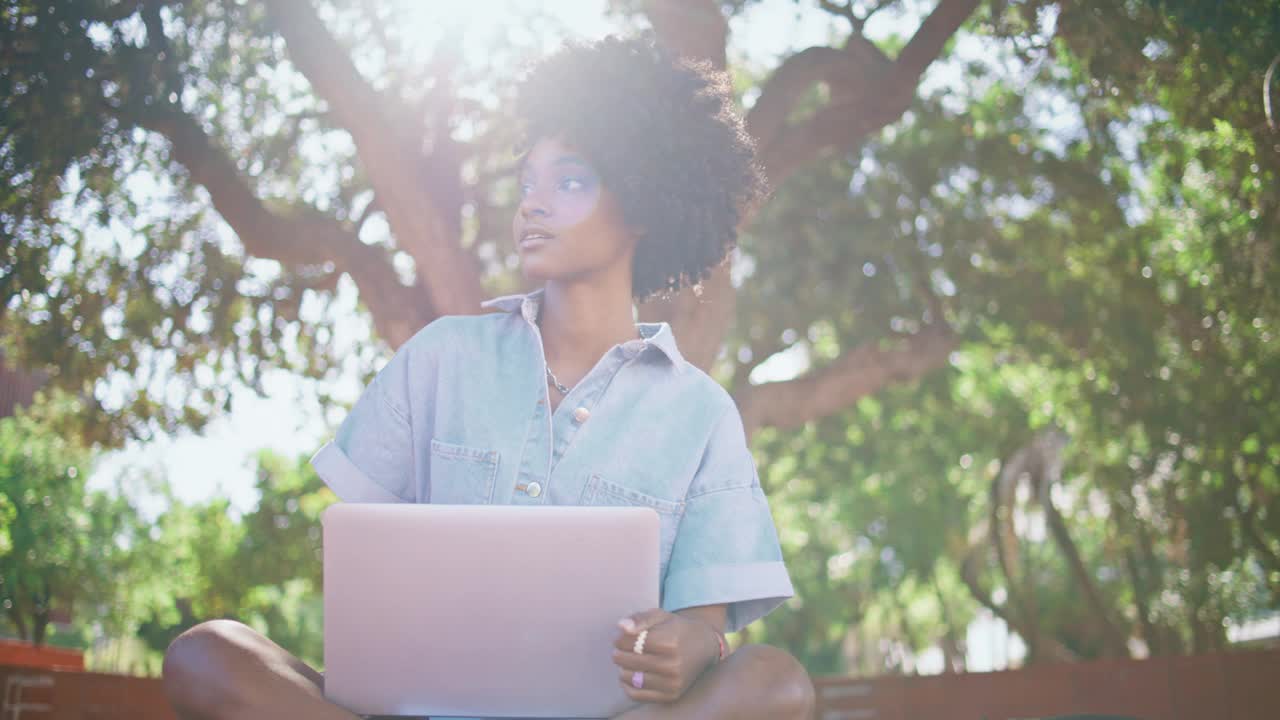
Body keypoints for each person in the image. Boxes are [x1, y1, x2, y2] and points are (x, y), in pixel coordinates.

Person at [162, 34, 815, 720]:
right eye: (527, 181)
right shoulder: (441, 356)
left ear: (649, 200)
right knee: (207, 654)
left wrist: (694, 645)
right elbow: (367, 579)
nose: (531, 203)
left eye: (569, 180)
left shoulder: (700, 414)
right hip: (421, 707)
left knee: (776, 681)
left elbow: (704, 633)